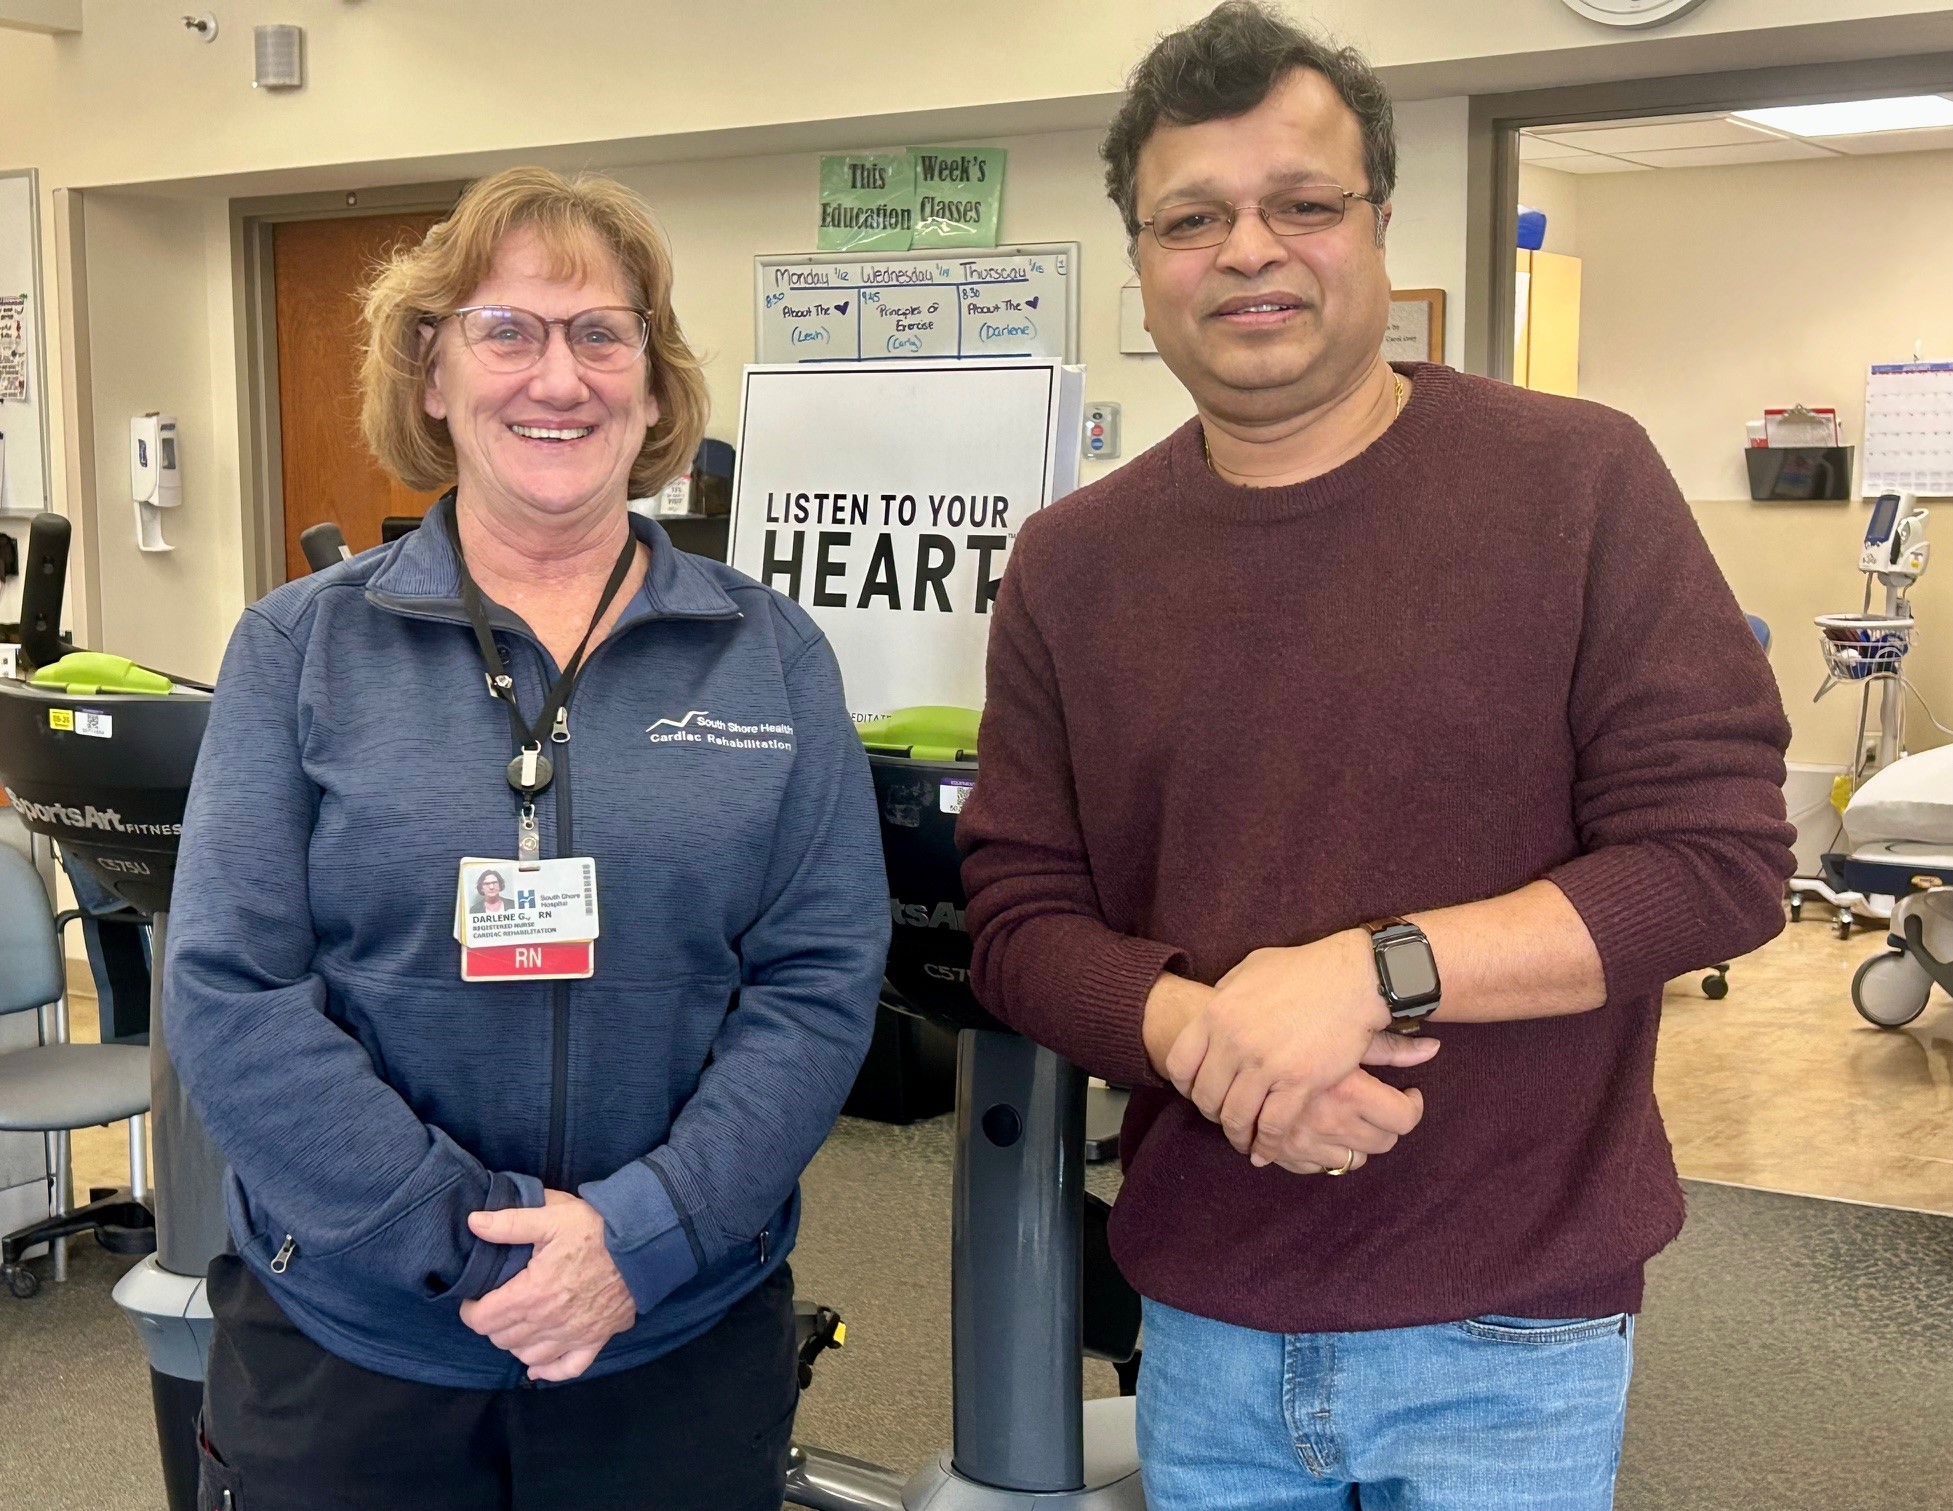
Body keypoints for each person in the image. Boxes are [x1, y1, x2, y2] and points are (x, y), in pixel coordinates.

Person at [957, 6, 1795, 1509]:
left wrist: (1366, 972)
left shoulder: (1577, 481)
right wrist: (1205, 1035)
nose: (1249, 250)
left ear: (1378, 228)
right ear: (1142, 260)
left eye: (1303, 204)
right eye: (1192, 217)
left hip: (1512, 1326)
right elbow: (1017, 921)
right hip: (1206, 1315)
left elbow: (1716, 862)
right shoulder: (1072, 564)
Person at [164, 166, 888, 1511]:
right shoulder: (299, 646)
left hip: (671, 1336)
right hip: (360, 1347)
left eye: (598, 333)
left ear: (654, 385)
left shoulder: (769, 655)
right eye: (506, 330)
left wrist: (640, 1238)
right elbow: (230, 991)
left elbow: (817, 982)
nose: (557, 376)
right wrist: (486, 1257)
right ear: (432, 374)